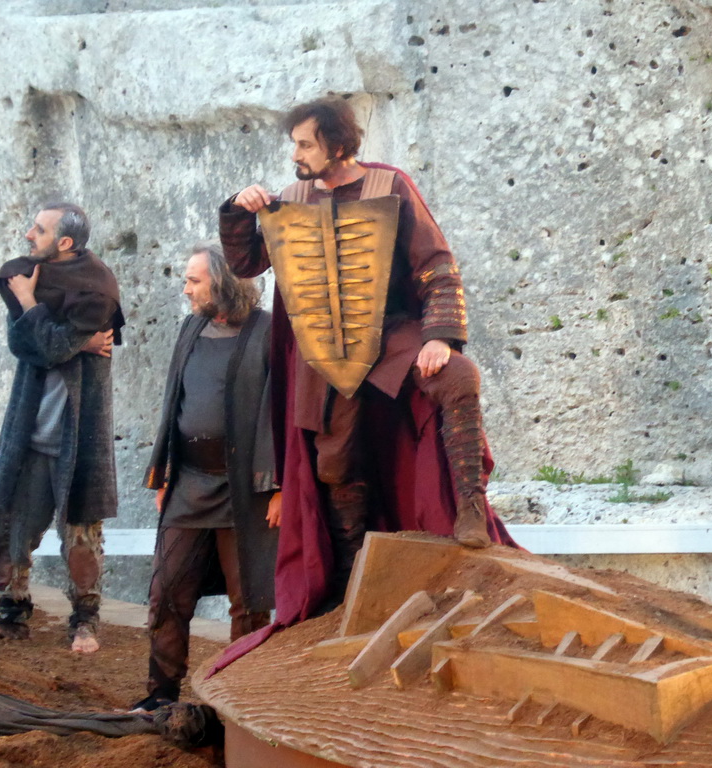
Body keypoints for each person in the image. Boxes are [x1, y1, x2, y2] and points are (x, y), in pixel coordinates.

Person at [219, 96, 510, 624]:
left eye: (305, 144)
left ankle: (469, 505)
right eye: (295, 145)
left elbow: (436, 264)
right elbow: (247, 265)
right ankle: (351, 577)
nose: (296, 155)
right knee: (335, 461)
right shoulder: (290, 197)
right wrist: (241, 210)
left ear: (338, 144)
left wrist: (440, 336)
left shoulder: (390, 185)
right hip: (322, 350)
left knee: (459, 378)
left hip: (389, 333)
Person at [0, 202, 124, 653]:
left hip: (77, 435)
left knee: (81, 537)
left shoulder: (96, 289)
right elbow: (24, 343)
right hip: (30, 433)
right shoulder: (29, 275)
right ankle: (10, 617)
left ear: (65, 242)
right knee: (12, 526)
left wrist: (34, 307)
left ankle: (85, 624)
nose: (29, 234)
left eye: (39, 229)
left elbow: (49, 345)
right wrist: (71, 341)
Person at [131, 242, 279, 712]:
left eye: (194, 280)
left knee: (248, 603)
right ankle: (161, 695)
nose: (186, 289)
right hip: (189, 484)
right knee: (167, 592)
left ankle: (241, 701)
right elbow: (175, 401)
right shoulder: (191, 328)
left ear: (224, 281)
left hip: (246, 491)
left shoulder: (269, 332)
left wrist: (281, 488)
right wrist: (167, 472)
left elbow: (281, 414)